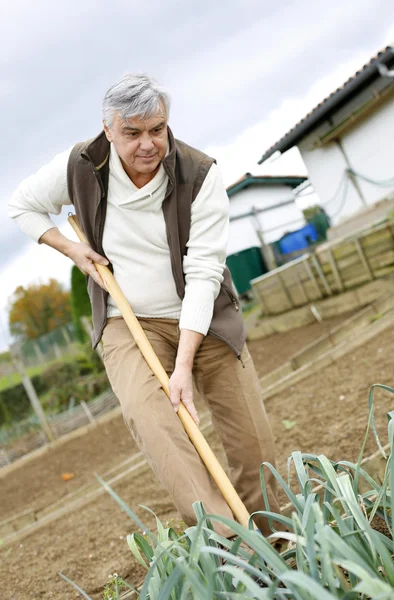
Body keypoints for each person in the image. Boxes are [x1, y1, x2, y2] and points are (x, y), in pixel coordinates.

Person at [8, 74, 281, 538]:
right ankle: (228, 542)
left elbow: (203, 272)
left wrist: (183, 366)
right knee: (153, 422)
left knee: (251, 437)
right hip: (127, 319)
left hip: (205, 316)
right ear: (108, 129)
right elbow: (22, 207)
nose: (147, 144)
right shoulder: (80, 165)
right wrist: (72, 250)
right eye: (132, 133)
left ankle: (276, 535)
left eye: (156, 129)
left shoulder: (200, 173)